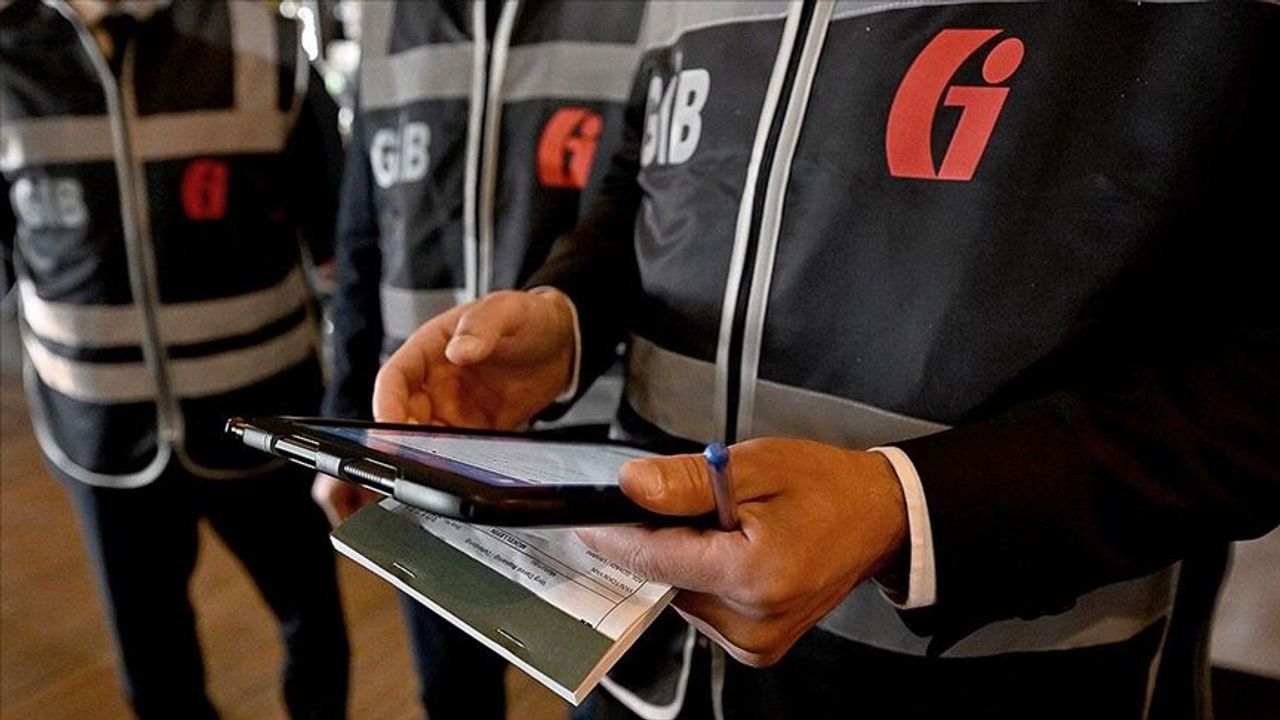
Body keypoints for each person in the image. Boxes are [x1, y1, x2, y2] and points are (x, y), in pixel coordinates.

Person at [372, 1, 1280, 718]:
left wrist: (909, 509)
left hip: (987, 683)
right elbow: (649, 169)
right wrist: (569, 315)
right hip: (638, 657)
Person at [0, 1, 349, 717]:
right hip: (97, 436)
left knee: (314, 629)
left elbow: (341, 244)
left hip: (266, 426)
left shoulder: (265, 43)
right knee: (153, 666)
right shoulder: (6, 56)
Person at [312, 1, 647, 718]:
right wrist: (346, 428)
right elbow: (363, 242)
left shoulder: (645, 13)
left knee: (605, 695)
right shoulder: (389, 19)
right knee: (450, 689)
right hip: (422, 439)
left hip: (590, 452)